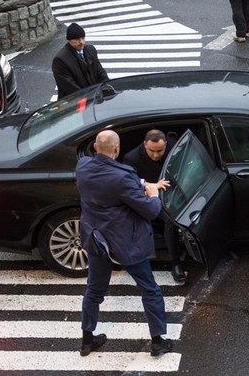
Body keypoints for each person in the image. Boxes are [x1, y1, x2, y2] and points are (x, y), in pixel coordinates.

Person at [76, 130, 173, 357]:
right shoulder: (121, 178)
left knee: (94, 290)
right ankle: (158, 342)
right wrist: (152, 193)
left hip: (96, 239)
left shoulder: (82, 167)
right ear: (117, 149)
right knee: (149, 289)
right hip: (124, 243)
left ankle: (87, 340)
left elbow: (116, 181)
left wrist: (141, 182)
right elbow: (150, 211)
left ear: (95, 147)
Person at [123, 129, 187, 285]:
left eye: (160, 151)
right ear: (145, 144)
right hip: (146, 198)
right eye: (152, 151)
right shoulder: (131, 158)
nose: (156, 155)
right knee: (168, 219)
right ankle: (170, 262)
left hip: (173, 194)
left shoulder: (174, 146)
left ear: (165, 144)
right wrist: (152, 187)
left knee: (175, 218)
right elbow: (129, 184)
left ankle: (178, 260)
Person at [52, 22, 108, 99]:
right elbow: (70, 87)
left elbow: (100, 72)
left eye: (83, 38)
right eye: (77, 39)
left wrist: (105, 88)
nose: (81, 42)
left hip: (94, 97)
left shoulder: (91, 50)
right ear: (69, 40)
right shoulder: (60, 60)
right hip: (74, 103)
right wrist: (90, 97)